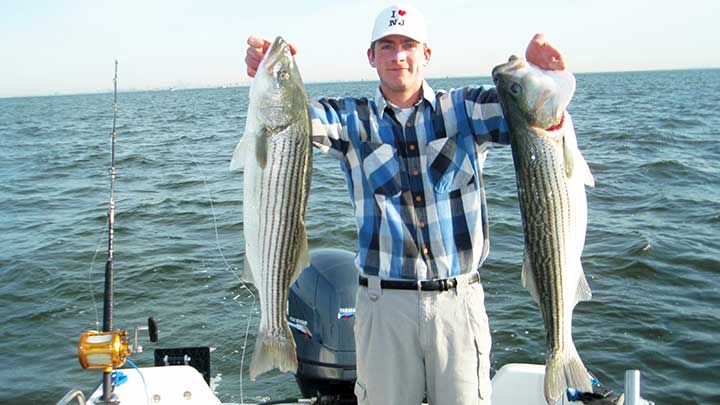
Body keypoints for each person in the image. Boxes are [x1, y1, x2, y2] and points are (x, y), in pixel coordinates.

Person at [244, 4, 566, 405]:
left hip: (458, 304)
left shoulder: (465, 109)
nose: (398, 55)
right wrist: (269, 73)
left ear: (426, 54)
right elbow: (287, 121)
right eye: (387, 45)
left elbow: (532, 114)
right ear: (372, 57)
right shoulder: (351, 119)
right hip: (383, 309)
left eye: (408, 45)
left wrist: (545, 76)